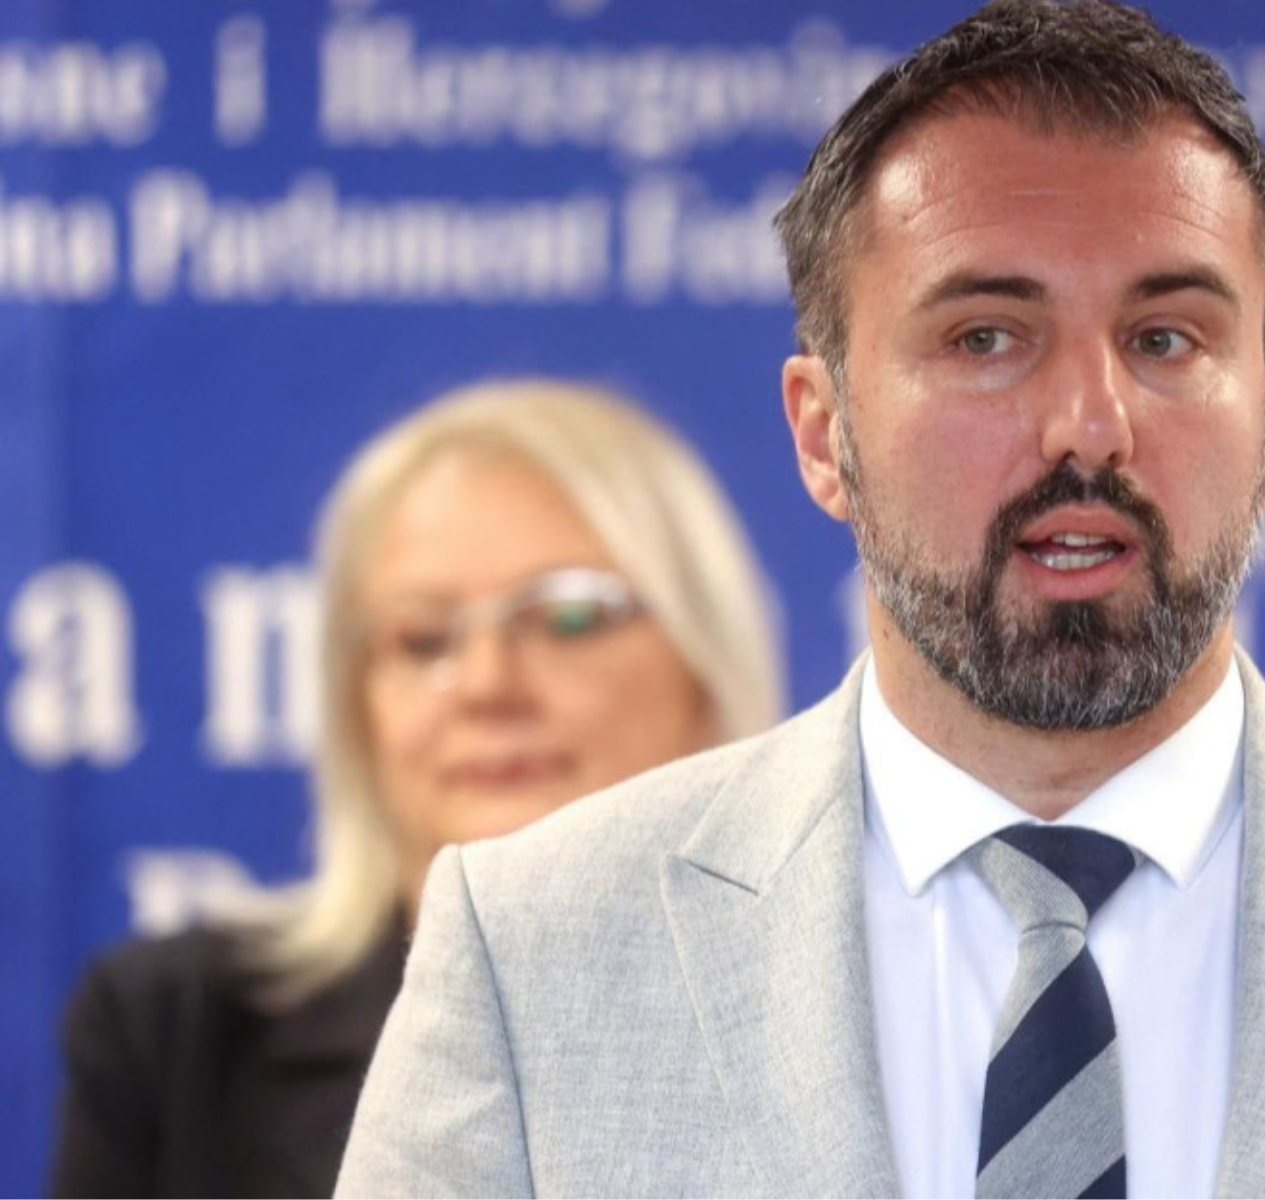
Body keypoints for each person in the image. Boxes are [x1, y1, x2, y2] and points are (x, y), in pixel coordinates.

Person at [337, 3, 1265, 1197]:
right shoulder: (532, 958)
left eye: (1165, 338)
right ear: (822, 435)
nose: (1090, 424)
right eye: (987, 337)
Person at [47, 379, 783, 1200]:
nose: (487, 684)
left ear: (705, 666)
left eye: (568, 617)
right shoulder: (173, 1034)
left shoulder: (828, 1007)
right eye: (423, 638)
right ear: (358, 709)